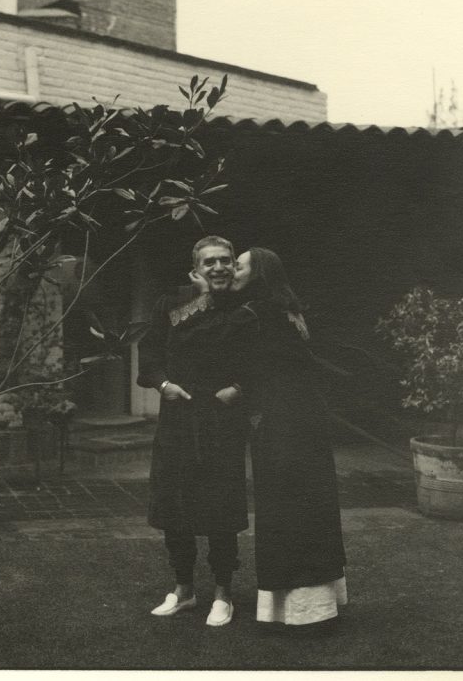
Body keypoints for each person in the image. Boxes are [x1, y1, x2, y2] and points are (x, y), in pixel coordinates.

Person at [196, 247, 347, 632]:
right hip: (307, 420)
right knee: (310, 504)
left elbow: (218, 347)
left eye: (239, 266)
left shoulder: (253, 313)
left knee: (285, 505)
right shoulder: (287, 311)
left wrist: (206, 296)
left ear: (257, 274)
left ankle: (299, 609)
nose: (232, 271)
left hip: (281, 423)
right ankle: (319, 603)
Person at [137, 235, 253, 627]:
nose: (219, 268)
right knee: (175, 507)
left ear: (235, 266)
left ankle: (223, 593)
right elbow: (150, 353)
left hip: (221, 420)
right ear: (195, 270)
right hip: (178, 419)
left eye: (226, 261)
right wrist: (163, 384)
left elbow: (263, 360)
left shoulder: (244, 307)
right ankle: (184, 590)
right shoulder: (171, 304)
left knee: (221, 507)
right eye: (210, 263)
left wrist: (240, 388)